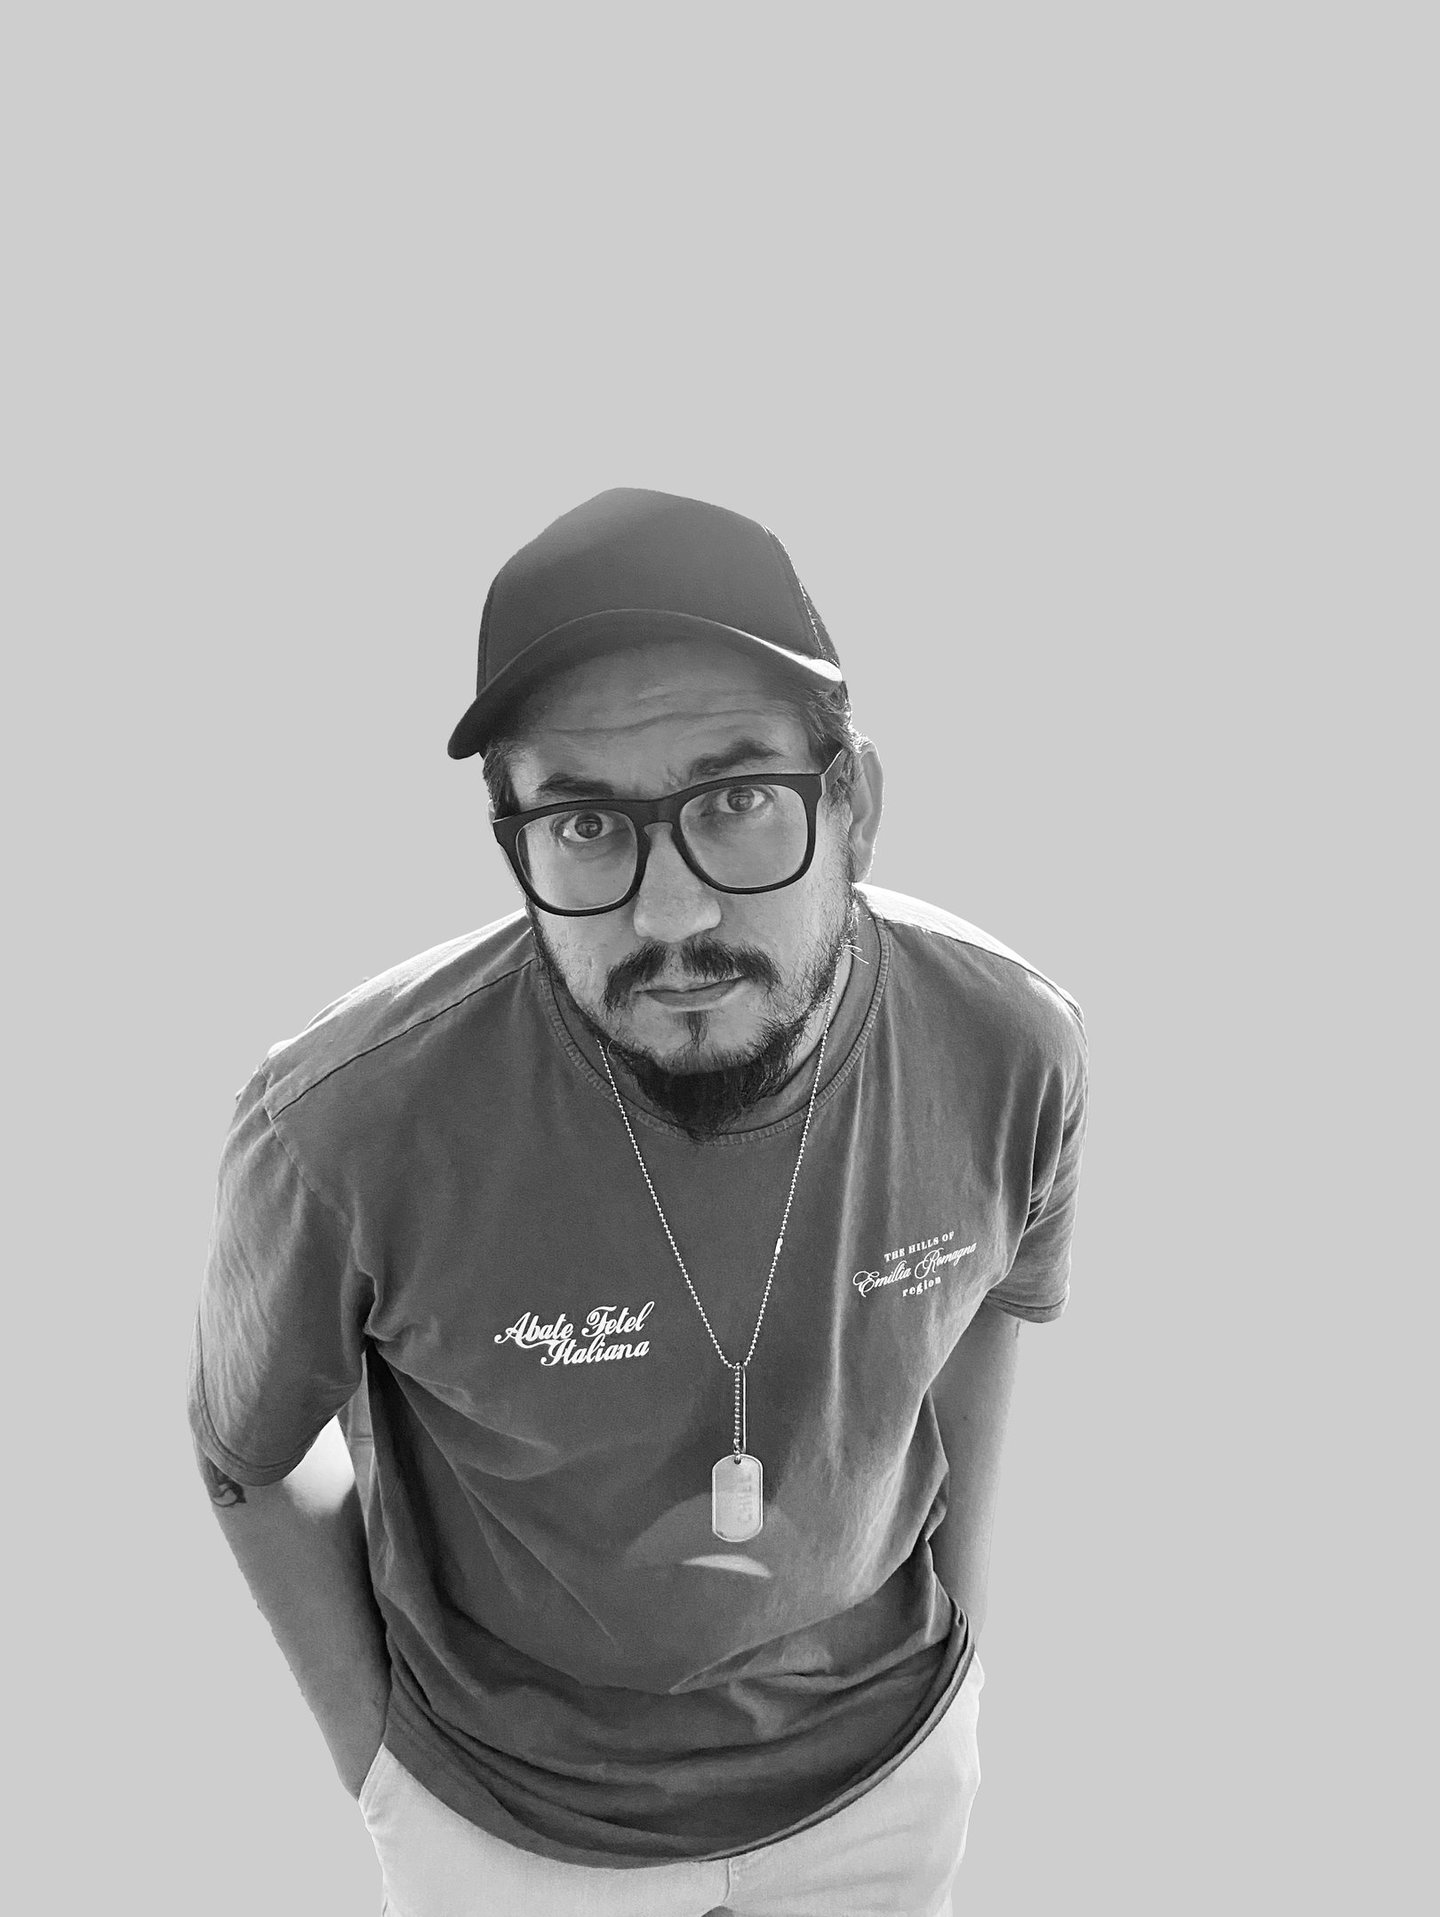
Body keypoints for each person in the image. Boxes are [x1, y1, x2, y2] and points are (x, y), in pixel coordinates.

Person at [188, 487, 1088, 1917]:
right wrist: (381, 1769)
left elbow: (990, 1318)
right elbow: (246, 1454)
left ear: (853, 804)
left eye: (738, 801)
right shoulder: (342, 1128)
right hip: (509, 1825)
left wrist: (966, 1645)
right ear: (514, 847)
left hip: (887, 1782)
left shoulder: (1009, 1045)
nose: (673, 916)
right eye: (588, 822)